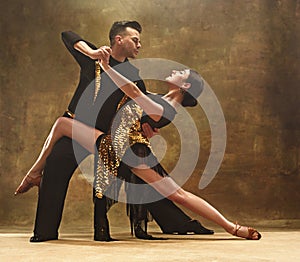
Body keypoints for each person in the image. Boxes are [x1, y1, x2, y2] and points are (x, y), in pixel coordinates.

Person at [16, 57, 261, 240]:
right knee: (178, 195)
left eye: (180, 72)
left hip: (119, 147)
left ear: (184, 85)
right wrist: (146, 125)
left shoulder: (166, 108)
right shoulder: (162, 101)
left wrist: (108, 67)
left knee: (62, 123)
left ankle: (34, 173)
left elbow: (132, 92)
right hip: (129, 147)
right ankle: (231, 227)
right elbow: (136, 111)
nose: (174, 71)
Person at [16, 21, 212, 242]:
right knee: (55, 168)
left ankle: (175, 221)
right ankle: (44, 233)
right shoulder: (94, 59)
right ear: (119, 40)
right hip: (75, 130)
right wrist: (92, 52)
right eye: (135, 40)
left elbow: (145, 107)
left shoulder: (134, 76)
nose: (140, 44)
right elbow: (67, 34)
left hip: (107, 139)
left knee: (148, 177)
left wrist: (149, 128)